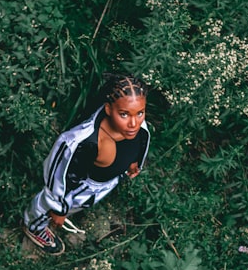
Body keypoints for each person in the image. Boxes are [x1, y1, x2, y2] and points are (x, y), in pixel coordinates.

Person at [22, 75, 151, 254]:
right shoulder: (82, 142)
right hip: (84, 189)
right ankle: (34, 225)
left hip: (108, 180)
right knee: (48, 206)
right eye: (124, 114)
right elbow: (58, 177)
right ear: (108, 109)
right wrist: (59, 209)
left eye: (140, 113)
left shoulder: (133, 125)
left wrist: (134, 161)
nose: (134, 123)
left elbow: (139, 140)